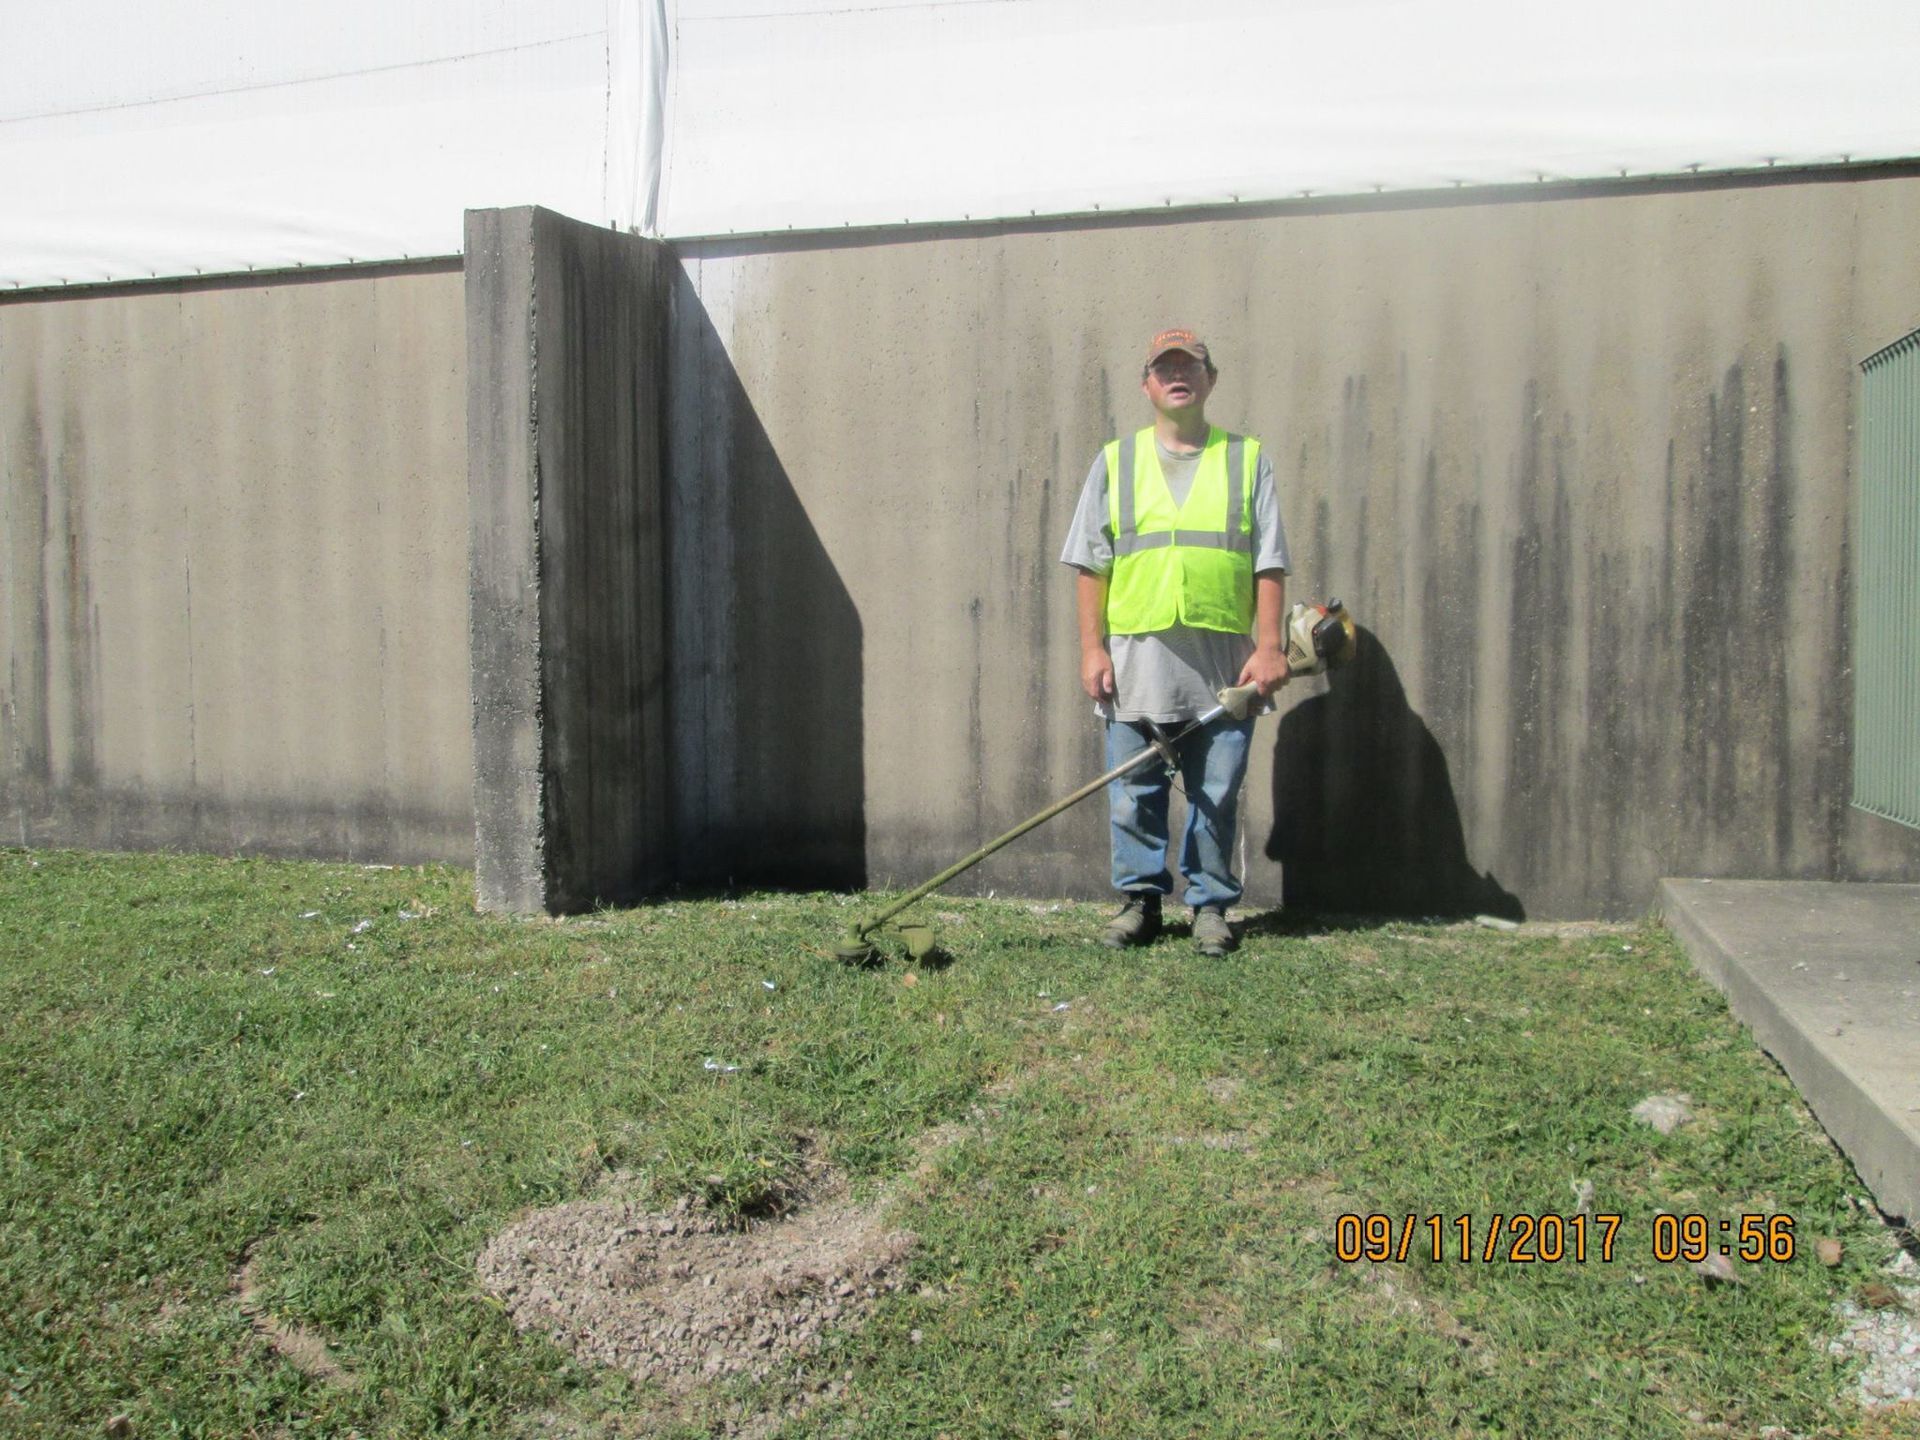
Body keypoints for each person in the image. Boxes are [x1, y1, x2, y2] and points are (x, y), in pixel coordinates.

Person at [1058, 328, 1291, 956]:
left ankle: (1210, 907)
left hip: (1224, 661)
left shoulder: (1247, 458)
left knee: (1216, 788)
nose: (1177, 375)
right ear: (1147, 385)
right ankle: (1140, 901)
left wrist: (1269, 648)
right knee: (1134, 789)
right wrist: (1092, 649)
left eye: (1190, 366)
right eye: (1165, 368)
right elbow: (1090, 563)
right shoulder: (1115, 460)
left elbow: (1269, 562)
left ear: (1211, 380)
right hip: (1135, 656)